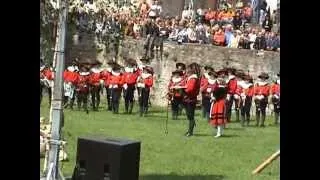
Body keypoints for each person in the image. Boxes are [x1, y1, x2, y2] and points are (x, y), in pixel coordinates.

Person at [183, 63, 201, 137]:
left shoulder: (193, 78)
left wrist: (183, 90)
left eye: (189, 69)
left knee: (190, 116)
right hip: (188, 98)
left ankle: (190, 132)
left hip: (191, 98)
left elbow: (190, 89)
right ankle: (189, 131)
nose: (188, 70)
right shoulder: (190, 77)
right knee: (189, 116)